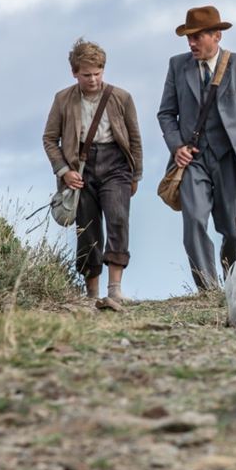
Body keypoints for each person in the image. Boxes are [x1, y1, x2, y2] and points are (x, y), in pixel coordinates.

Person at [157, 5, 236, 290]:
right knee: (194, 221)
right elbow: (166, 114)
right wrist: (176, 146)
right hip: (192, 160)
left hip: (233, 159)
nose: (192, 43)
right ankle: (208, 289)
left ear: (217, 36)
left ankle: (232, 282)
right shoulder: (176, 64)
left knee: (235, 231)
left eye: (197, 37)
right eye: (189, 38)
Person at [43, 38, 142, 305]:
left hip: (116, 163)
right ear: (75, 72)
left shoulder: (121, 97)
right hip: (79, 169)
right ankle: (92, 293)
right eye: (86, 75)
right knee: (87, 229)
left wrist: (136, 175)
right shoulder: (63, 99)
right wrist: (64, 171)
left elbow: (135, 138)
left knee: (118, 218)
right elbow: (50, 139)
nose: (93, 80)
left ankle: (115, 289)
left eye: (98, 73)